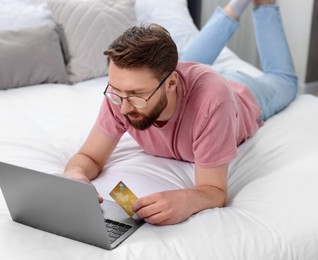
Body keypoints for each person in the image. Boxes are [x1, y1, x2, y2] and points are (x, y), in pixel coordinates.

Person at [63, 0, 298, 226]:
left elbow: (214, 191)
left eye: (137, 95)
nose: (123, 108)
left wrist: (186, 198)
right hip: (187, 82)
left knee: (284, 81)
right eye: (117, 92)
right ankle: (235, 5)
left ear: (172, 83)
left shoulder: (212, 103)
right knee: (184, 65)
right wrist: (75, 175)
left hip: (243, 94)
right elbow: (90, 157)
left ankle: (262, 3)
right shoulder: (123, 92)